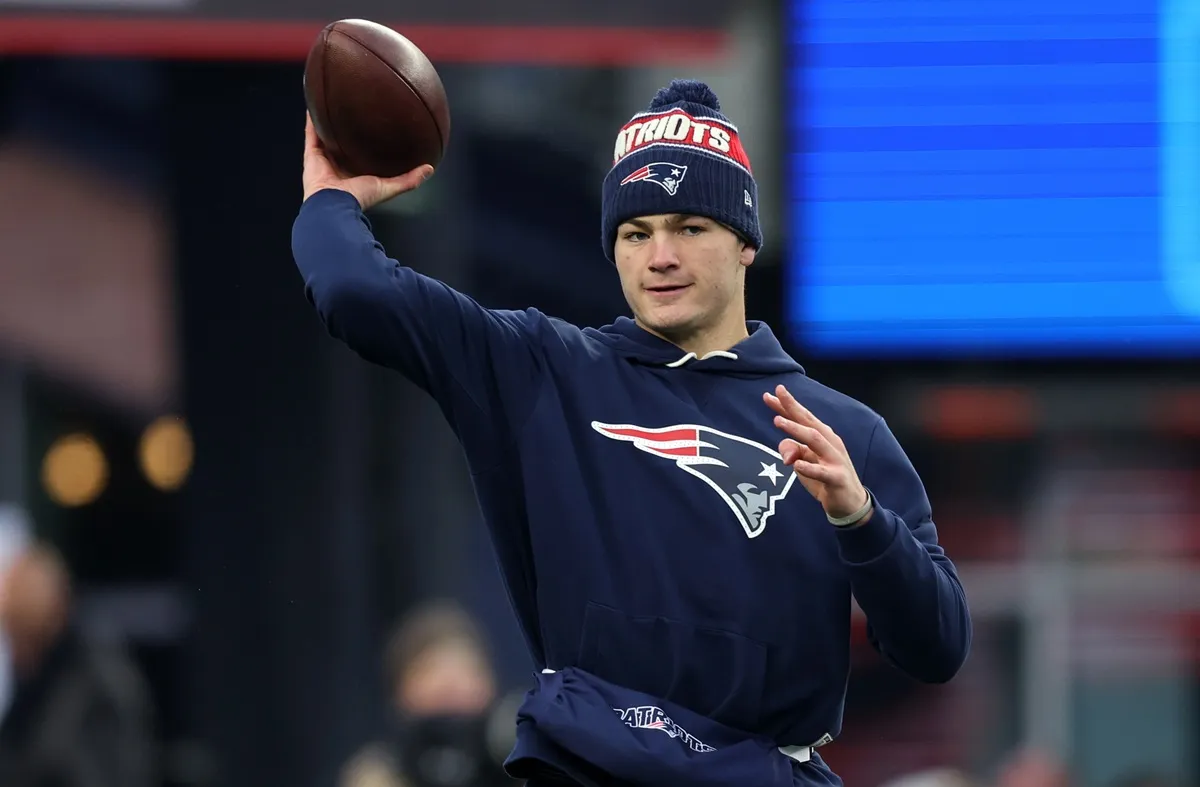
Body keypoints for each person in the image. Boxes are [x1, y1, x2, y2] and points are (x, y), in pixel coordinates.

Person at [292, 79, 972, 787]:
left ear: (743, 241)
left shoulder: (843, 432)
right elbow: (355, 292)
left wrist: (861, 520)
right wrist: (330, 203)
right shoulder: (546, 371)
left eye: (689, 226)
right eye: (635, 233)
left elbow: (938, 647)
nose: (660, 256)